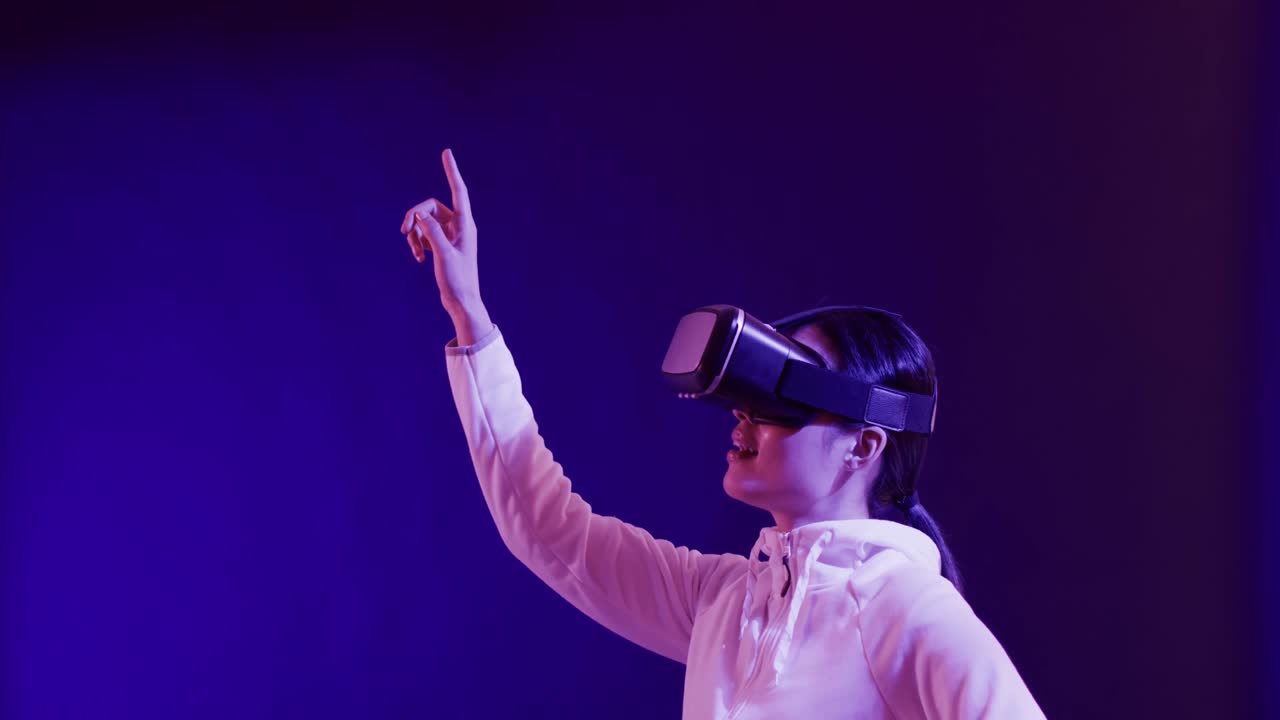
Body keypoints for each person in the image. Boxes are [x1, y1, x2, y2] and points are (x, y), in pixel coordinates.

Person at [400, 148, 1047, 719]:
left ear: (863, 445)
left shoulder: (905, 612)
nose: (744, 413)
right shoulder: (720, 603)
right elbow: (551, 532)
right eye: (745, 392)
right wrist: (471, 318)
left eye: (779, 395)